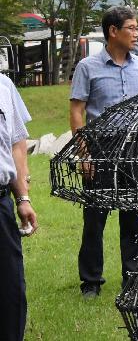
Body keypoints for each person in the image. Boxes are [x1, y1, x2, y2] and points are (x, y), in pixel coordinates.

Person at [70, 5, 138, 298]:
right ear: (113, 31)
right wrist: (84, 154)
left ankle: (132, 279)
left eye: (137, 28)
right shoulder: (87, 67)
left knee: (132, 214)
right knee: (95, 216)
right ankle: (91, 281)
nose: (136, 34)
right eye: (131, 28)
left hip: (134, 148)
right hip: (100, 148)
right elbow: (77, 111)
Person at [0, 73, 37, 341]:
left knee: (10, 288)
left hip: (0, 203)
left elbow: (16, 143)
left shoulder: (3, 85)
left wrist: (22, 198)